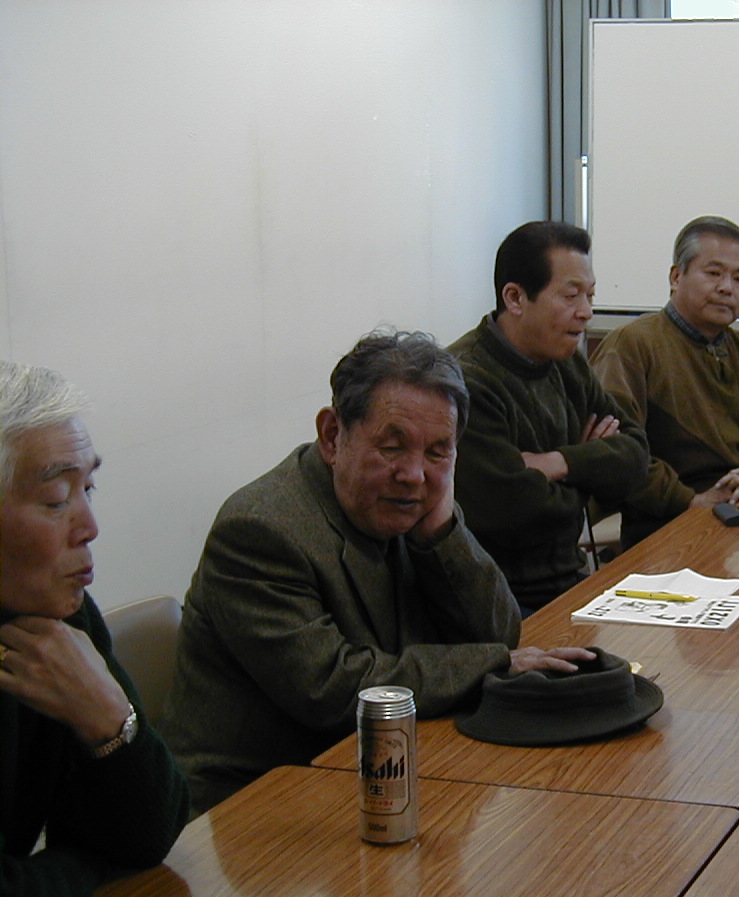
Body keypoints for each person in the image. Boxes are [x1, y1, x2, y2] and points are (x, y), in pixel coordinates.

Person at [165, 330, 592, 815]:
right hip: (256, 801)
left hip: (378, 765)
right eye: (393, 447)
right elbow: (333, 689)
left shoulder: (416, 505)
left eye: (437, 452)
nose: (414, 474)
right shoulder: (260, 530)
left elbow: (498, 632)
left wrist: (442, 534)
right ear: (332, 436)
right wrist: (491, 665)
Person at [0, 362, 188, 897]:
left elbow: (152, 832)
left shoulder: (61, 620)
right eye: (57, 500)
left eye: (89, 490)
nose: (90, 526)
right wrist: (85, 861)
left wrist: (109, 720)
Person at [591, 216, 739, 549]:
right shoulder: (633, 345)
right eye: (714, 273)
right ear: (676, 277)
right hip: (670, 526)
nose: (726, 288)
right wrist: (692, 501)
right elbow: (616, 450)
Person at [448, 221, 648, 612]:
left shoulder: (568, 362)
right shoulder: (466, 380)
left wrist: (559, 462)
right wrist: (592, 469)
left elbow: (636, 456)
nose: (586, 312)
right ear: (515, 298)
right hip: (498, 601)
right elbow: (514, 512)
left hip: (571, 580)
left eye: (590, 295)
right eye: (571, 296)